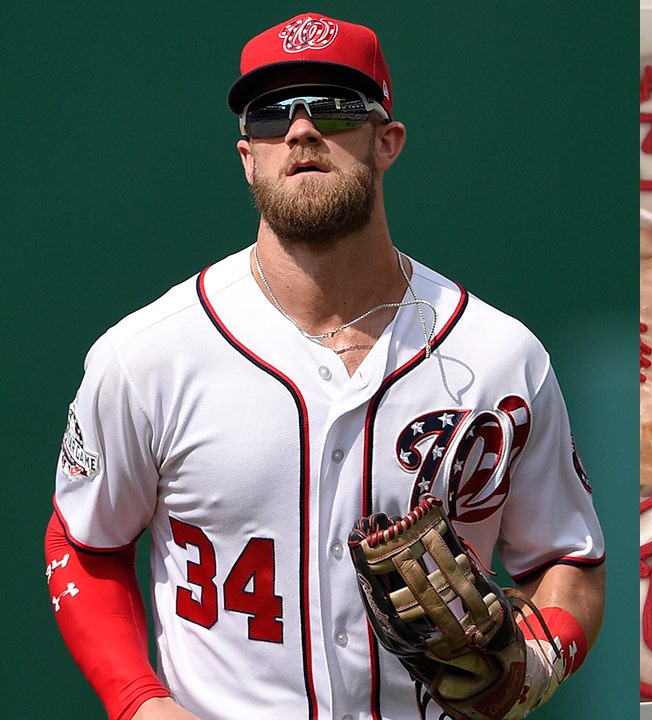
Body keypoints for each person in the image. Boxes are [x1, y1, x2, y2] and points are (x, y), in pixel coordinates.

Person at [43, 12, 606, 720]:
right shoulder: (149, 355)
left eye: (336, 108)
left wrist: (537, 663)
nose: (302, 130)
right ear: (248, 155)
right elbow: (83, 541)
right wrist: (136, 702)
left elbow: (571, 559)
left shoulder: (498, 357)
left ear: (387, 141)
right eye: (272, 113)